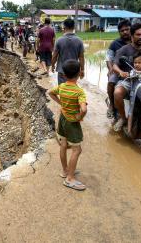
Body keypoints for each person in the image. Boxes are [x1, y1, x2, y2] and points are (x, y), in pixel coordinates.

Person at [48, 59, 88, 191]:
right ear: (79, 74)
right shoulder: (79, 92)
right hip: (72, 122)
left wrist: (61, 103)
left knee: (64, 144)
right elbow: (83, 109)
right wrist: (79, 117)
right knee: (77, 150)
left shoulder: (62, 87)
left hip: (63, 119)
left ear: (64, 75)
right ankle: (70, 178)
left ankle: (65, 170)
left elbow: (50, 93)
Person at [105, 19, 131, 119]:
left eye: (127, 29)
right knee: (111, 81)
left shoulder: (136, 41)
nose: (125, 32)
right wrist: (111, 69)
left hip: (134, 70)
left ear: (131, 29)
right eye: (122, 30)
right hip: (118, 70)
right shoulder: (115, 44)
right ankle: (111, 104)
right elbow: (109, 58)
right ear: (119, 32)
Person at [52, 18, 85, 85]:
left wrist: (53, 65)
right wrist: (82, 70)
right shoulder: (79, 41)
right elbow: (81, 57)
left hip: (62, 70)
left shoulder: (59, 40)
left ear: (64, 27)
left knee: (62, 88)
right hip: (74, 71)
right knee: (72, 89)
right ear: (73, 27)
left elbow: (55, 56)